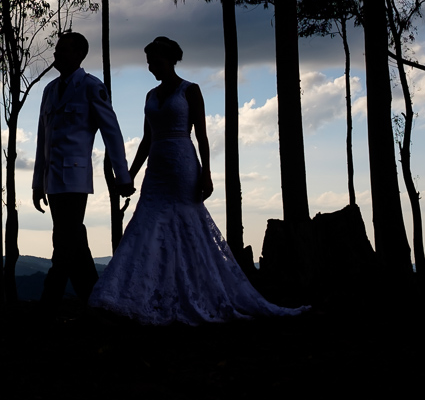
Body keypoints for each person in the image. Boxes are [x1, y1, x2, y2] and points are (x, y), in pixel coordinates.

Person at [89, 37, 308, 324]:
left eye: (155, 62)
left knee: (186, 222)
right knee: (148, 222)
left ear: (169, 60)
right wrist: (129, 173)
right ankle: (144, 292)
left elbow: (202, 135)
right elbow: (147, 138)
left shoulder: (190, 91)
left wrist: (206, 172)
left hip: (182, 163)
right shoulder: (150, 96)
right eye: (148, 63)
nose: (151, 68)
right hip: (156, 168)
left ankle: (197, 290)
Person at [32, 32, 135, 311]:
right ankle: (95, 299)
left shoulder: (91, 87)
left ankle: (48, 305)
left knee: (63, 243)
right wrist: (37, 183)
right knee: (74, 242)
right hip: (53, 180)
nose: (56, 54)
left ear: (79, 54)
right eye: (56, 49)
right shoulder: (50, 90)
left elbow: (111, 132)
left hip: (75, 179)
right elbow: (43, 140)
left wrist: (122, 177)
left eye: (62, 50)